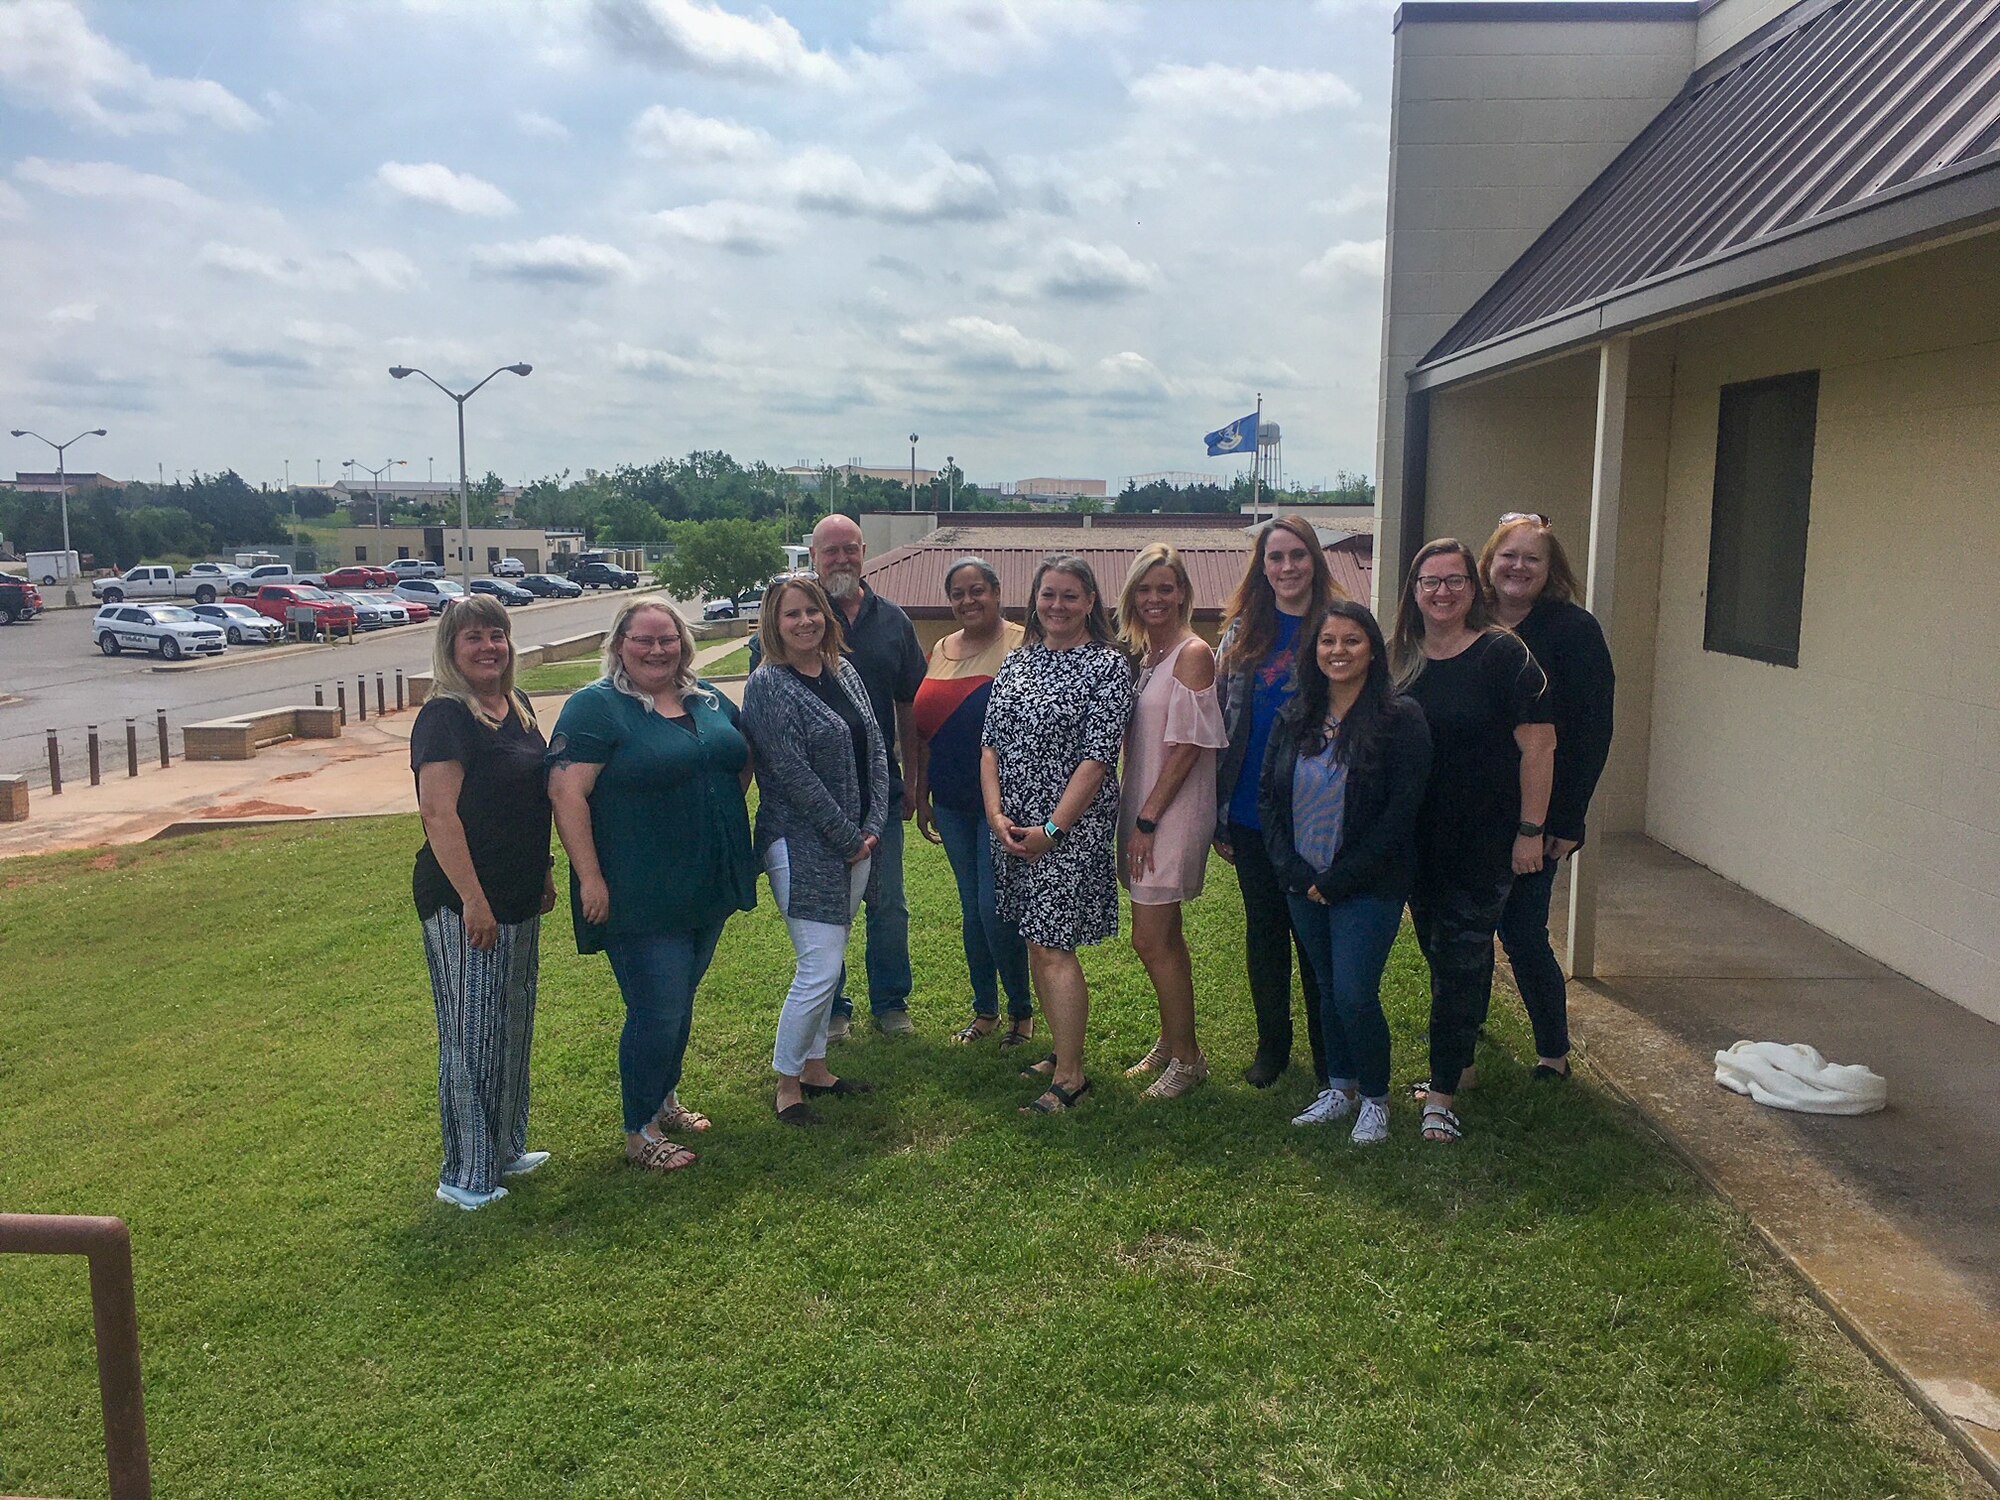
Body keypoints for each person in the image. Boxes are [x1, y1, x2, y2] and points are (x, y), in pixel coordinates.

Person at [547, 599, 756, 1173]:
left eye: (668, 640)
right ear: (620, 645)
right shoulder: (596, 708)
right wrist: (590, 876)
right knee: (657, 1008)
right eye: (644, 640)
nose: (657, 650)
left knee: (680, 998)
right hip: (638, 886)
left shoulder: (706, 697)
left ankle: (665, 1099)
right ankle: (639, 1130)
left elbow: (736, 756)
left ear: (684, 644)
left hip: (706, 878)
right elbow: (566, 794)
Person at [1391, 539, 1555, 1144]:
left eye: (1455, 581)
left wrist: (1530, 831)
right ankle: (1461, 1065)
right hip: (1420, 843)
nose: (1442, 592)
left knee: (1461, 960)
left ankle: (1441, 1093)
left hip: (1484, 842)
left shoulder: (1502, 655)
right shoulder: (1402, 660)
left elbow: (1539, 747)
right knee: (1439, 952)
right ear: (1414, 591)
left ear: (1473, 589)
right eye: (1430, 581)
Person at [1259, 602, 1432, 1144]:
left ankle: (1376, 1099)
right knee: (1328, 989)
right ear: (1314, 653)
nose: (1338, 651)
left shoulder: (1400, 718)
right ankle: (1341, 1087)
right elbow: (1269, 797)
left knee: (1355, 991)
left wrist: (1339, 879)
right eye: (1328, 641)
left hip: (1368, 885)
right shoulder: (1295, 715)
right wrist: (1290, 867)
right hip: (1301, 880)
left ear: (1373, 650)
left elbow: (1402, 814)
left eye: (1352, 640)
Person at [750, 514, 924, 1038]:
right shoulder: (779, 644)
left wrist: (909, 783)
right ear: (814, 555)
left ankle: (891, 1003)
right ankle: (834, 1009)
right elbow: (779, 754)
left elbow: (903, 711)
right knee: (828, 916)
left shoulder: (893, 622)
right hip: (811, 818)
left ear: (864, 551)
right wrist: (844, 833)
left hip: (879, 800)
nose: (842, 559)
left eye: (850, 549)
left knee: (888, 903)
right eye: (831, 552)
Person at [410, 596, 555, 1210]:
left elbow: (533, 797)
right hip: (464, 899)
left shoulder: (515, 706)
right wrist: (474, 899)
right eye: (474, 637)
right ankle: (466, 1174)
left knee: (512, 1023)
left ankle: (504, 1147)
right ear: (451, 648)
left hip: (520, 889)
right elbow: (437, 813)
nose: (488, 647)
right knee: (471, 1031)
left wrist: (545, 869)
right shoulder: (445, 717)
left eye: (497, 635)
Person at [981, 555, 1135, 1115]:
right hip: (1014, 828)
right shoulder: (1019, 662)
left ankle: (1070, 1076)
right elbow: (990, 745)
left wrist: (1052, 828)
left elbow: (1098, 759)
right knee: (1035, 941)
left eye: (1070, 596)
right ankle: (1059, 1050)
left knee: (1052, 946)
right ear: (1035, 600)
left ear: (1091, 602)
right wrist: (996, 814)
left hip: (1069, 830)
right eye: (1049, 595)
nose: (1058, 606)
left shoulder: (1108, 668)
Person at [741, 575, 891, 1127]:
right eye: (791, 614)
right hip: (800, 845)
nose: (805, 621)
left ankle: (817, 1068)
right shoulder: (768, 686)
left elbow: (874, 747)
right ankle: (787, 1085)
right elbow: (790, 773)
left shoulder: (842, 671)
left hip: (857, 839)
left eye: (813, 611)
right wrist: (848, 837)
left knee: (832, 956)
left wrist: (871, 824)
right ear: (773, 625)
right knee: (819, 967)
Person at [1213, 515, 1349, 1088]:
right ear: (1262, 566)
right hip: (1250, 811)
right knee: (1265, 932)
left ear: (1314, 560)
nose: (1287, 567)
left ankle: (1329, 1053)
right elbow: (1221, 719)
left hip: (1319, 814)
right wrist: (1219, 811)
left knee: (1315, 938)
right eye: (1276, 557)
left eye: (1297, 555)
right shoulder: (1245, 629)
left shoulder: (1339, 627)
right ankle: (1273, 1046)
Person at [1480, 513, 1615, 1082]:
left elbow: (1592, 731)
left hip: (1535, 815)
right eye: (1507, 556)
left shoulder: (1574, 631)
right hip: (1467, 808)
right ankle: (1468, 1021)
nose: (1517, 567)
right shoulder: (1465, 620)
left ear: (1550, 569)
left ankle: (1553, 1053)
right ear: (1488, 564)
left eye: (1531, 558)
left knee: (1522, 931)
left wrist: (1566, 818)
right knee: (1460, 929)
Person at [1115, 543, 1226, 1099]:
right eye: (1145, 588)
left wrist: (1149, 818)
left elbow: (1187, 747)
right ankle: (1172, 1040)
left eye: (1166, 587)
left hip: (1169, 812)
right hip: (1144, 804)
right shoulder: (1148, 657)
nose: (1155, 598)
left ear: (1183, 592)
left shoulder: (1192, 653)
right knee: (1167, 938)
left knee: (1150, 938)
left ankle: (1187, 1060)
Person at [910, 557, 1034, 1047]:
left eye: (977, 590)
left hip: (1002, 803)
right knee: (970, 907)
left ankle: (1021, 1013)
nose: (968, 601)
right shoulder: (940, 647)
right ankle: (985, 1010)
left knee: (994, 908)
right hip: (951, 800)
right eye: (958, 593)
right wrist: (921, 794)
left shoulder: (1022, 643)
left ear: (997, 591)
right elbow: (922, 729)